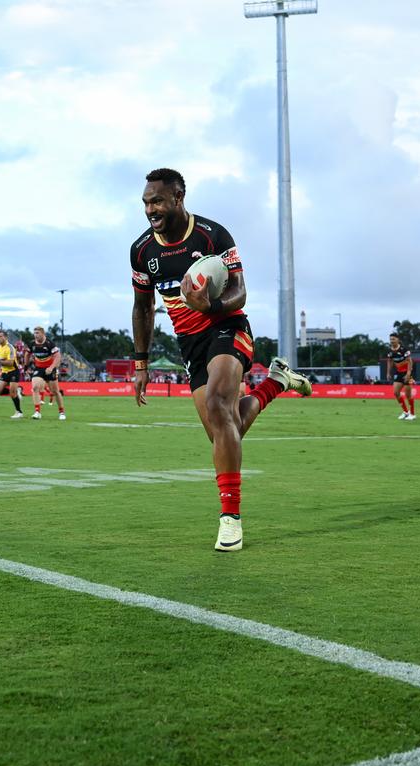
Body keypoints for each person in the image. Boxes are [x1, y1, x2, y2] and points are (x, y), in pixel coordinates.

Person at [130, 167, 311, 552]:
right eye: (146, 202)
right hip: (190, 344)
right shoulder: (142, 250)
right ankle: (276, 383)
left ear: (178, 198)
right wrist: (141, 363)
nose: (150, 209)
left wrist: (209, 304)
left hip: (228, 326)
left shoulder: (212, 235)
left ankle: (230, 519)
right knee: (221, 431)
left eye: (158, 200)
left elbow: (240, 291)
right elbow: (143, 307)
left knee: (217, 405)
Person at [25, 326, 66, 420]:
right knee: (35, 388)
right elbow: (27, 354)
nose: (35, 335)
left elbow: (58, 357)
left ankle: (62, 412)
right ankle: (37, 412)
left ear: (43, 333)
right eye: (34, 333)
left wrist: (51, 368)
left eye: (37, 333)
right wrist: (26, 366)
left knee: (55, 391)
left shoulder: (49, 343)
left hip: (50, 369)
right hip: (38, 368)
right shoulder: (32, 343)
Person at [0, 331, 24, 419]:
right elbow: (2, 360)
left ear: (6, 337)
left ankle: (19, 412)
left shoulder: (10, 347)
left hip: (13, 371)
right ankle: (16, 390)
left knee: (12, 394)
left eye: (1, 336)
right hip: (5, 372)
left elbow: (10, 363)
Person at [387, 332, 416, 420]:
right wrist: (388, 373)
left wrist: (408, 374)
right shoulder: (390, 351)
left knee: (408, 395)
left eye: (394, 339)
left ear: (398, 340)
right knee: (396, 393)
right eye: (391, 339)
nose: (392, 341)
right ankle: (405, 412)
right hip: (398, 373)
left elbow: (410, 361)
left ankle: (413, 414)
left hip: (408, 373)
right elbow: (390, 361)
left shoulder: (404, 349)